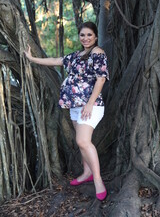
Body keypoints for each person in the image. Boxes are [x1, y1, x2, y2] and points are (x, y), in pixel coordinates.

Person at [24, 21, 109, 201]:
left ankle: (98, 180)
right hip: (75, 105)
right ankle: (86, 172)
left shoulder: (98, 53)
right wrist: (32, 59)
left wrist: (89, 104)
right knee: (81, 143)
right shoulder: (76, 55)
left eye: (89, 35)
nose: (85, 38)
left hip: (91, 106)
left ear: (95, 36)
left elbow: (101, 80)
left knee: (82, 140)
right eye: (82, 35)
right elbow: (56, 60)